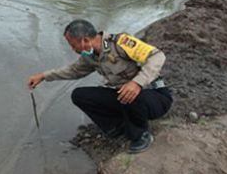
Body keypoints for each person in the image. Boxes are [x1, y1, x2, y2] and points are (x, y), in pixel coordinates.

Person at [27, 19, 172, 154]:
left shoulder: (121, 43)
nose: (73, 49)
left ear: (85, 40)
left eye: (73, 45)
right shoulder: (90, 56)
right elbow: (74, 71)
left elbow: (157, 56)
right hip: (127, 98)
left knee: (129, 93)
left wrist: (137, 83)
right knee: (79, 95)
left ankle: (141, 134)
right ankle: (117, 127)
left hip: (155, 97)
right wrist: (44, 76)